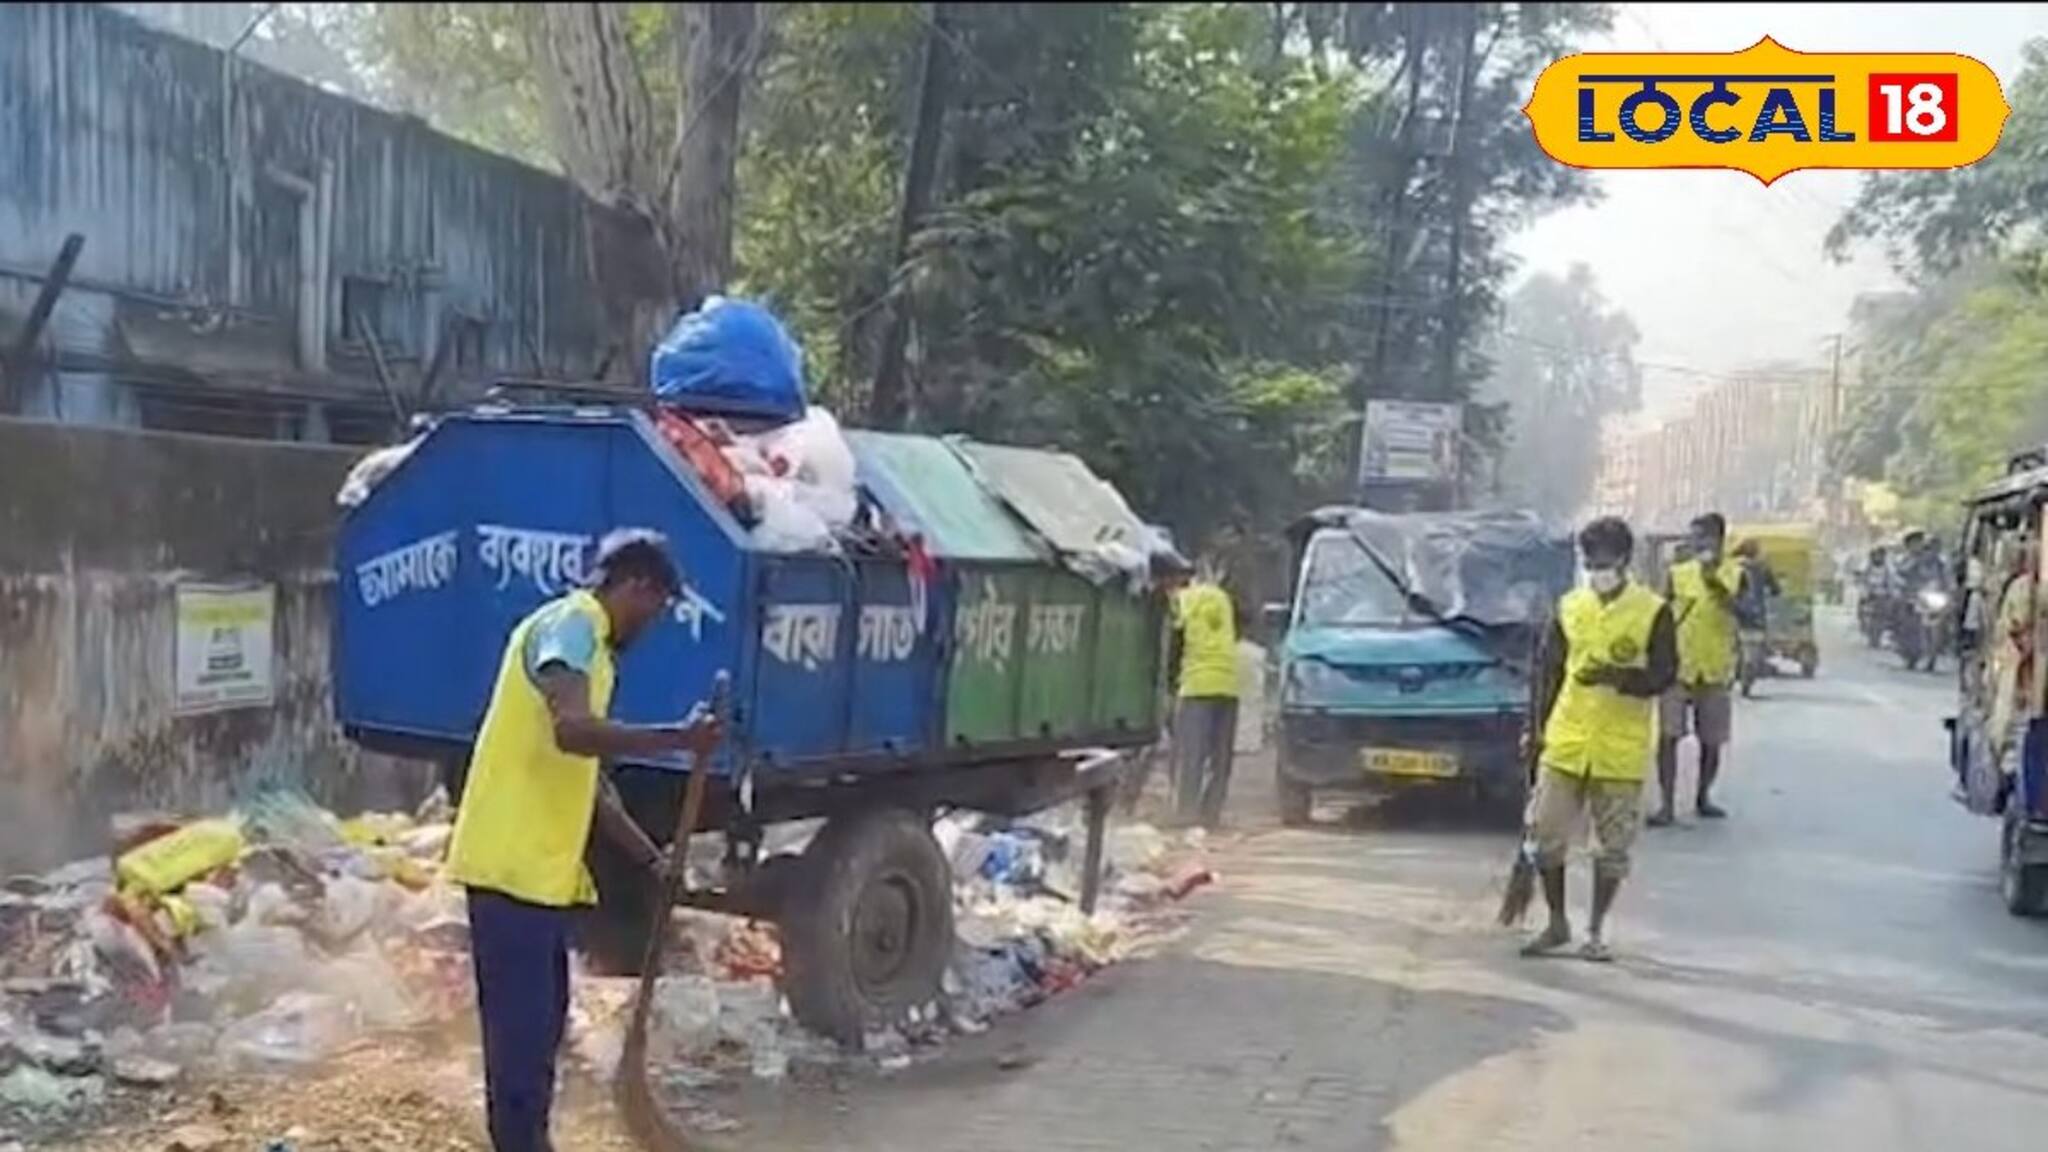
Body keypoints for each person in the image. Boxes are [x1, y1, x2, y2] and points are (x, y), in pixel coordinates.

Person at [444, 529, 722, 1152]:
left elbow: (591, 787)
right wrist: (675, 738)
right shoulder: (572, 625)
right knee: (520, 1040)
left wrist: (652, 861)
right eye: (658, 606)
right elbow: (573, 732)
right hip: (509, 870)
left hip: (539, 878)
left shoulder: (593, 652)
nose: (654, 622)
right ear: (636, 587)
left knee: (541, 1032)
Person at [1522, 516, 1677, 961]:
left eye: (1603, 561)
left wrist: (1618, 676)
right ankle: (1556, 923)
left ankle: (1596, 929)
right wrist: (1534, 731)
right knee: (1546, 837)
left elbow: (1664, 674)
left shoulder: (1652, 611)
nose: (1596, 569)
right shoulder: (1569, 606)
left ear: (1625, 561)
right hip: (1566, 740)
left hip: (1619, 748)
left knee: (1611, 849)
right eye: (1589, 561)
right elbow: (1548, 674)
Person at [1652, 512, 1745, 825]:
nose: (1696, 545)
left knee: (1712, 739)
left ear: (1718, 540)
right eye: (1693, 539)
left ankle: (1703, 797)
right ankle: (1666, 804)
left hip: (1716, 668)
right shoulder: (1677, 574)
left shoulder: (1736, 574)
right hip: (1678, 667)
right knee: (1668, 736)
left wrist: (1714, 583)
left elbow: (1745, 612)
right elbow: (1661, 616)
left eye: (1702, 538)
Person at [1154, 552, 1240, 829]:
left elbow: (1173, 647)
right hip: (1228, 684)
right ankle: (1211, 815)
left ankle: (1186, 814)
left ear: (1171, 581)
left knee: (1191, 755)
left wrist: (1167, 685)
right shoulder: (1220, 597)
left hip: (1197, 686)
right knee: (1220, 758)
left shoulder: (1180, 602)